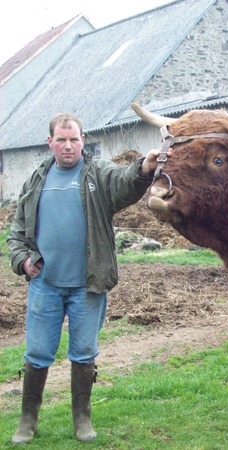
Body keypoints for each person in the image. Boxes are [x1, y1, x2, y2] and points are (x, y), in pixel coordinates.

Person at [7, 112, 168, 444]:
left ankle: (82, 418)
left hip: (88, 285)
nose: (69, 145)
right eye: (62, 139)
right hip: (45, 285)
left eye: (75, 139)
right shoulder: (37, 179)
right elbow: (17, 232)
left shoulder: (98, 174)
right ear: (50, 142)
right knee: (37, 353)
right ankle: (27, 420)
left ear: (83, 140)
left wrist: (144, 167)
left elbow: (125, 179)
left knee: (83, 352)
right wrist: (22, 261)